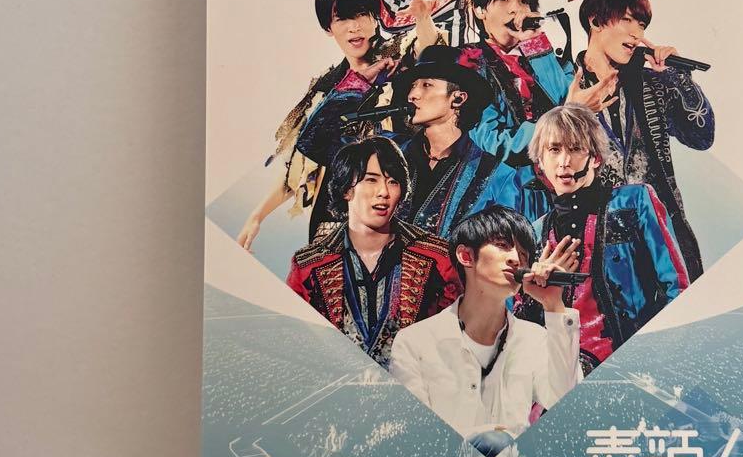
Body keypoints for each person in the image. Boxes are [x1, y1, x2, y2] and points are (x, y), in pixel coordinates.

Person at [237, 0, 411, 250]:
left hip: (391, 218)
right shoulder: (326, 87)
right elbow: (302, 165)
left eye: (361, 14)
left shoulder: (401, 63)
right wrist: (257, 215)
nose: (354, 27)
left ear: (376, 15)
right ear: (328, 27)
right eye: (342, 19)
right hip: (332, 222)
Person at [389, 206, 583, 438]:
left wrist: (553, 305)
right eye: (502, 245)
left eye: (523, 255)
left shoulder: (534, 339)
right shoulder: (414, 342)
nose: (515, 259)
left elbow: (567, 402)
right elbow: (415, 435)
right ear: (466, 256)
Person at [525, 104, 689, 374]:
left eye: (575, 149)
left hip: (638, 365)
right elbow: (523, 324)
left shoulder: (634, 201)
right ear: (540, 162)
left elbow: (677, 285)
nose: (564, 161)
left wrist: (664, 358)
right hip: (565, 372)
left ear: (596, 158)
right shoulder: (535, 232)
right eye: (554, 150)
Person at [575, 0, 715, 280]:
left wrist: (677, 76)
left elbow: (702, 136)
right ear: (595, 21)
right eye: (627, 20)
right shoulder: (563, 83)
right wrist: (572, 112)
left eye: (641, 24)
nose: (637, 34)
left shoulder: (651, 85)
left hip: (659, 240)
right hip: (596, 244)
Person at [286, 136, 461, 368]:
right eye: (371, 180)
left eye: (393, 182)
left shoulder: (437, 258)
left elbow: (458, 342)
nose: (384, 192)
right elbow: (294, 346)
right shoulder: (309, 265)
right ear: (347, 189)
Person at [466, 0, 613, 173]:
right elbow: (494, 142)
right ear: (479, 10)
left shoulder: (551, 60)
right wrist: (566, 115)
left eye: (523, 1)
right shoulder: (466, 63)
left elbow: (565, 100)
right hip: (507, 184)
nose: (515, 9)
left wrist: (534, 43)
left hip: (562, 179)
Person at [392, 45, 522, 237]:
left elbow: (504, 245)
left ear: (458, 99)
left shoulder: (498, 176)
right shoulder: (392, 155)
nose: (412, 95)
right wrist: (363, 83)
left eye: (426, 85)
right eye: (413, 86)